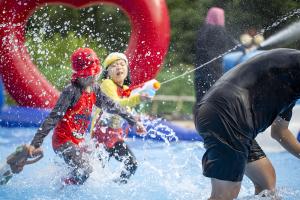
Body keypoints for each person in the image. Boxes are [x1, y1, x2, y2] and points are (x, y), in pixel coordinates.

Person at [27, 48, 145, 185]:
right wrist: (35, 143)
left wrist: (133, 122)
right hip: (62, 142)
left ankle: (65, 180)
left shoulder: (94, 89)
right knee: (86, 169)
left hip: (78, 142)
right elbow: (53, 118)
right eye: (87, 75)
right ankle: (62, 186)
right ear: (79, 75)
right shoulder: (71, 91)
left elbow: (113, 106)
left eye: (93, 74)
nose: (92, 77)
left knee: (92, 169)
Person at [194, 48, 300, 200]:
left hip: (221, 112)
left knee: (266, 186)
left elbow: (280, 132)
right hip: (228, 112)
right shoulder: (295, 65)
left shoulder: (288, 88)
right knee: (225, 195)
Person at [91, 52, 150, 184]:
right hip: (101, 136)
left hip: (115, 137)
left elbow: (126, 110)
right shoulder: (107, 84)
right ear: (107, 72)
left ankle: (115, 187)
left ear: (127, 69)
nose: (119, 67)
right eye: (114, 66)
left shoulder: (125, 88)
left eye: (122, 64)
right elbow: (116, 105)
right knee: (92, 174)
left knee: (132, 164)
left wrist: (135, 123)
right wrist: (138, 98)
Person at [194, 7, 238, 102]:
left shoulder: (202, 31)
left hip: (199, 70)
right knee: (213, 100)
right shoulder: (220, 31)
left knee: (200, 99)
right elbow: (233, 45)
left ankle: (198, 116)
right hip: (214, 71)